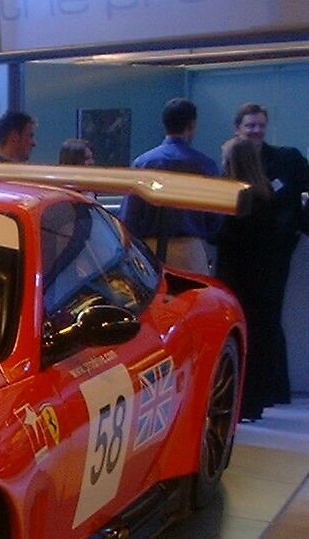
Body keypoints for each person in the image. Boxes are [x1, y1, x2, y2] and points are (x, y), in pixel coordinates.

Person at [230, 102, 309, 407]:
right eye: (250, 125)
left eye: (260, 124)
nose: (256, 130)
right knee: (256, 317)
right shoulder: (233, 162)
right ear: (238, 128)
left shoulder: (286, 159)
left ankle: (269, 389)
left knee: (268, 317)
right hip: (247, 253)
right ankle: (257, 391)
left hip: (276, 251)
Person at [216, 137, 284, 422]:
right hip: (262, 278)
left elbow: (225, 237)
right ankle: (253, 403)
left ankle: (236, 403)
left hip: (236, 277)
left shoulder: (236, 197)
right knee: (257, 337)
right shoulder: (266, 194)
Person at [118, 98, 219, 274]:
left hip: (149, 250)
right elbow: (215, 219)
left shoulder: (143, 163)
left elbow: (129, 216)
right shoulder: (205, 165)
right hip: (190, 251)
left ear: (164, 124)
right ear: (192, 124)